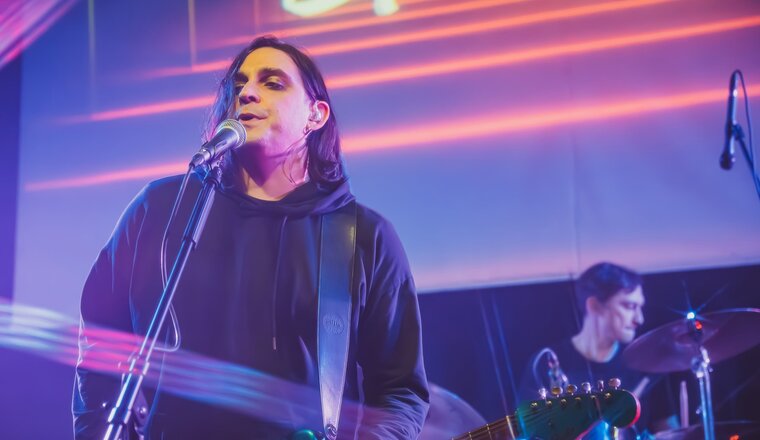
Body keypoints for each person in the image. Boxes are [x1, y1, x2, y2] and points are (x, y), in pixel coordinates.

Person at [73, 36, 429, 439]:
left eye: (272, 83)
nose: (247, 93)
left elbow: (399, 391)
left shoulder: (363, 237)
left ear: (315, 115)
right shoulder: (160, 209)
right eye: (238, 85)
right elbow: (100, 345)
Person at [519, 262, 675, 439]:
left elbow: (669, 430)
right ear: (594, 306)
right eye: (630, 306)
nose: (639, 319)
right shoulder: (545, 363)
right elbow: (527, 433)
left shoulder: (646, 361)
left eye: (640, 307)